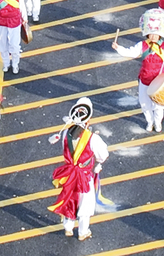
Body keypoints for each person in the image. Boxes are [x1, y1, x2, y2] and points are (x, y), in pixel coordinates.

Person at [47, 97, 109, 242]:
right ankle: (83, 231)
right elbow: (103, 154)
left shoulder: (65, 133)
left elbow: (64, 150)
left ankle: (68, 227)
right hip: (84, 175)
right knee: (85, 204)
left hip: (69, 173)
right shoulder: (92, 138)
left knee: (69, 198)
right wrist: (98, 163)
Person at [113, 8, 164, 133]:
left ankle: (157, 123)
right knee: (145, 105)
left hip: (159, 82)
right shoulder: (142, 45)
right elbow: (131, 52)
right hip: (145, 80)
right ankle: (149, 122)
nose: (153, 35)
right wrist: (119, 48)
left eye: (155, 33)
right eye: (150, 32)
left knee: (159, 106)